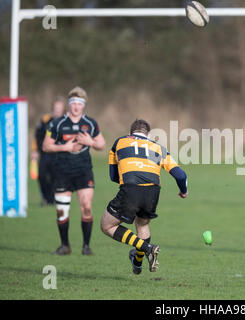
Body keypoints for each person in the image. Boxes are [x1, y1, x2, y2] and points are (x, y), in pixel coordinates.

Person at [100, 119, 188, 275]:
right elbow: (181, 175)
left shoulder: (120, 142)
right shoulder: (158, 148)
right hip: (153, 192)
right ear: (148, 135)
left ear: (130, 133)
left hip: (131, 188)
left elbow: (113, 176)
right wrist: (183, 191)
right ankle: (137, 263)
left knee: (107, 226)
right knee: (142, 224)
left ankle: (148, 248)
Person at [42, 87, 106, 256]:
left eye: (79, 103)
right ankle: (65, 246)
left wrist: (90, 142)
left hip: (84, 171)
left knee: (86, 207)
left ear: (83, 105)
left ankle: (86, 246)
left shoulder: (91, 123)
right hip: (62, 172)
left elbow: (102, 144)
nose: (76, 106)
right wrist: (66, 147)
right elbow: (45, 146)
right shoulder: (57, 123)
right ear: (68, 105)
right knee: (62, 210)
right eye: (73, 103)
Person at [31, 97, 65, 206]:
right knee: (41, 176)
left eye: (60, 109)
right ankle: (46, 197)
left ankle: (52, 199)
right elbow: (37, 136)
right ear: (52, 108)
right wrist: (34, 151)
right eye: (56, 108)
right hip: (45, 154)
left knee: (56, 177)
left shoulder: (66, 121)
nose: (57, 111)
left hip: (59, 154)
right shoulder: (45, 120)